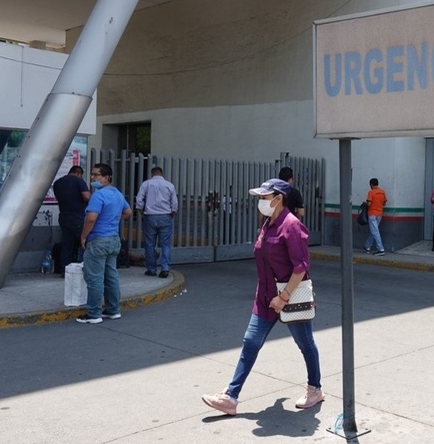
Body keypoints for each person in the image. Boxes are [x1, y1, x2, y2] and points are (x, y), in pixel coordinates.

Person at [202, 178, 323, 416]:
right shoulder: (268, 223)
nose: (260, 202)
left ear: (278, 199)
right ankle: (230, 397)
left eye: (264, 198)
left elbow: (300, 267)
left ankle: (315, 389)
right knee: (250, 342)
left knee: (305, 344)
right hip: (266, 296)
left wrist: (284, 296)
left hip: (289, 297)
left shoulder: (292, 225)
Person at [76, 163, 132, 324]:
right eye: (92, 175)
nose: (92, 178)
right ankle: (113, 310)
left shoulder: (98, 195)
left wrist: (83, 237)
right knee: (111, 276)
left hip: (98, 240)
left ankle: (94, 314)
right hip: (113, 240)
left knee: (94, 278)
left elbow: (91, 218)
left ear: (106, 178)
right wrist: (113, 219)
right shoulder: (117, 194)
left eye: (96, 175)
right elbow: (128, 212)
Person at [135, 166, 178, 278]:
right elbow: (174, 203)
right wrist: (172, 213)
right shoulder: (169, 185)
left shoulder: (146, 184)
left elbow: (139, 200)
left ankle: (151, 269)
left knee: (149, 244)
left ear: (152, 174)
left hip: (150, 216)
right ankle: (165, 268)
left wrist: (141, 212)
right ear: (162, 173)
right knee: (166, 244)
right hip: (165, 216)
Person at [52, 166, 89, 276]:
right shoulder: (79, 181)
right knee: (84, 243)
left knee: (67, 246)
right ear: (78, 173)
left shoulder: (58, 183)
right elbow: (86, 196)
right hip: (77, 217)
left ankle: (65, 271)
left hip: (63, 216)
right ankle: (84, 269)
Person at [363, 178, 387, 256]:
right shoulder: (382, 192)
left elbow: (369, 204)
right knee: (373, 230)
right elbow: (384, 203)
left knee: (375, 231)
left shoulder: (371, 192)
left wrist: (365, 203)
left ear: (371, 185)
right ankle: (367, 246)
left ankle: (381, 249)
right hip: (379, 214)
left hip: (372, 214)